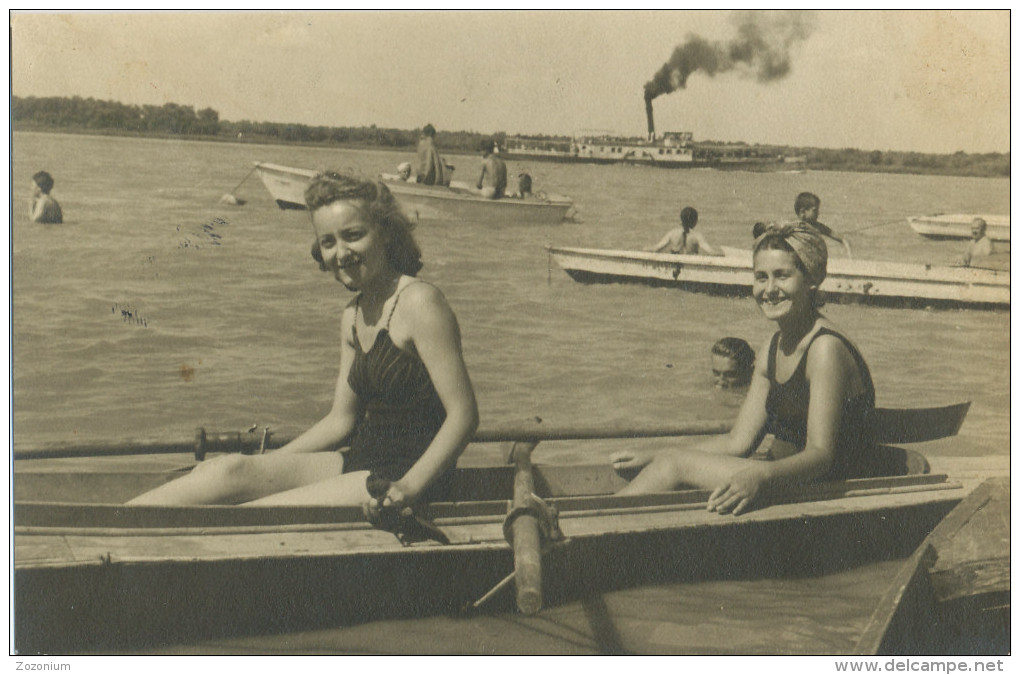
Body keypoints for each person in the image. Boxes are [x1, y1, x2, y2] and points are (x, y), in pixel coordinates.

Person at [128, 171, 479, 514]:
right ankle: (112, 520)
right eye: (328, 242)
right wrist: (262, 467)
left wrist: (410, 487)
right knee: (227, 471)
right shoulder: (352, 314)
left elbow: (464, 416)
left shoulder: (420, 302)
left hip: (405, 477)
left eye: (353, 235)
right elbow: (340, 422)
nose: (341, 253)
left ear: (385, 234)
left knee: (254, 514)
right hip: (359, 462)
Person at [616, 223, 880, 516]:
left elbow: (821, 455)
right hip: (786, 477)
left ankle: (597, 522)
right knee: (668, 460)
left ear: (813, 279)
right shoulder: (772, 346)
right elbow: (737, 442)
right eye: (760, 277)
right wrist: (658, 452)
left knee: (674, 466)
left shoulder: (825, 349)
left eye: (782, 276)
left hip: (828, 486)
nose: (769, 290)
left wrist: (760, 476)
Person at [794, 192, 852, 257]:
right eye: (815, 210)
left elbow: (833, 234)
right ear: (803, 212)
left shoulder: (817, 226)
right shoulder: (794, 226)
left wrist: (845, 242)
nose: (818, 213)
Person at [647, 207, 722, 255]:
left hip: (675, 263)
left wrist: (645, 249)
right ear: (695, 221)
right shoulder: (697, 236)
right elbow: (711, 252)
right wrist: (723, 253)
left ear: (681, 219)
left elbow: (656, 249)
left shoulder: (672, 233)